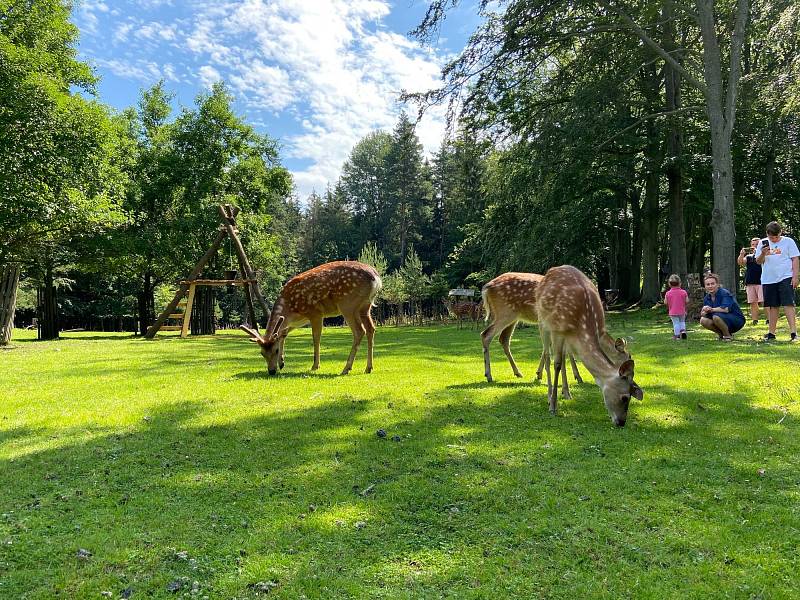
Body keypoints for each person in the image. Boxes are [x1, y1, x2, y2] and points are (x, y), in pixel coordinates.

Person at [754, 221, 799, 342]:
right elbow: (758, 261)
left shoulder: (788, 241)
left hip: (786, 276)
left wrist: (795, 276)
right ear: (766, 234)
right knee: (772, 306)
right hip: (768, 278)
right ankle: (771, 333)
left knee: (788, 304)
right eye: (771, 237)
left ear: (781, 232)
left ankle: (794, 333)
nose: (773, 239)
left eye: (776, 237)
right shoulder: (762, 243)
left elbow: (795, 259)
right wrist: (763, 253)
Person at [700, 273, 745, 341]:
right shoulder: (707, 297)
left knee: (716, 317)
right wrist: (704, 310)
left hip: (736, 320)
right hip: (721, 319)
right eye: (708, 284)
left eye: (712, 284)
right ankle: (721, 335)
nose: (710, 286)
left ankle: (727, 336)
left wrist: (711, 309)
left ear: (717, 284)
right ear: (705, 286)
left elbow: (725, 309)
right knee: (703, 320)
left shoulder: (724, 293)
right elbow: (703, 314)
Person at [737, 237, 763, 324]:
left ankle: (769, 319)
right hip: (750, 282)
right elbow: (740, 262)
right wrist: (741, 254)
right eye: (752, 245)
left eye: (757, 245)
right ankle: (755, 320)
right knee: (753, 302)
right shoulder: (748, 257)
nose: (754, 246)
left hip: (762, 282)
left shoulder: (765, 255)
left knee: (764, 301)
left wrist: (758, 253)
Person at [664, 274, 689, 340]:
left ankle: (677, 335)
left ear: (669, 284)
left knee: (676, 323)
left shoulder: (668, 293)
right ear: (680, 283)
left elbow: (665, 302)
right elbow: (687, 301)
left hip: (673, 311)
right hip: (682, 310)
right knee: (682, 321)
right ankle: (683, 331)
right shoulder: (683, 292)